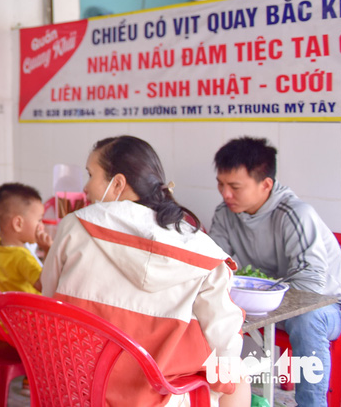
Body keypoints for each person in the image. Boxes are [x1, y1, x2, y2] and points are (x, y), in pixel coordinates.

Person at [41, 136, 250, 407]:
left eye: (91, 174)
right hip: (160, 396)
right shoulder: (204, 252)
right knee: (237, 376)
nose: (85, 185)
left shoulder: (74, 226)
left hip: (76, 387)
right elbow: (225, 341)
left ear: (117, 183)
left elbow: (48, 302)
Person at [209, 136, 341, 407]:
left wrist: (258, 300)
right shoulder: (225, 214)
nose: (225, 194)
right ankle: (232, 396)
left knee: (306, 319)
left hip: (326, 308)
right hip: (266, 302)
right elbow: (215, 263)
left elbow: (311, 284)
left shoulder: (294, 214)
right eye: (221, 184)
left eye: (235, 187)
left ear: (266, 184)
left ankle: (311, 403)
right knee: (212, 308)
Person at [0, 183, 52, 293]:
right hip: (30, 309)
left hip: (5, 308)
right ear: (18, 224)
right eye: (39, 220)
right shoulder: (23, 258)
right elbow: (44, 286)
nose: (42, 225)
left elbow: (3, 229)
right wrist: (49, 251)